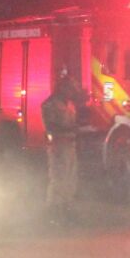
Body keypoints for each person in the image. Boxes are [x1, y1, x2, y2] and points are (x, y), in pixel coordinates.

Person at [40, 72, 83, 224]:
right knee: (58, 179)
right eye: (70, 89)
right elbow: (51, 126)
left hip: (70, 145)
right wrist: (71, 128)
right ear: (62, 88)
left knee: (70, 179)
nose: (72, 92)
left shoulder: (69, 104)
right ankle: (54, 211)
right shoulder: (50, 104)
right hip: (58, 146)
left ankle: (66, 209)